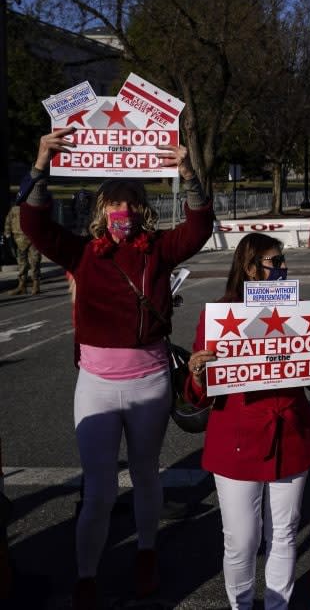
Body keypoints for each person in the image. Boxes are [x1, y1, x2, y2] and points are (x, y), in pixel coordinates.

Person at [19, 127, 214, 609]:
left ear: (142, 210)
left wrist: (187, 172)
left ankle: (146, 552)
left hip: (148, 382)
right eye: (112, 203)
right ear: (100, 211)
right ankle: (87, 575)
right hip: (97, 385)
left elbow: (199, 227)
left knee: (148, 475)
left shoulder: (159, 251)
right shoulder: (82, 253)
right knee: (100, 487)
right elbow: (33, 225)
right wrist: (41, 162)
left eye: (128, 203)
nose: (120, 212)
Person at [184, 233, 310, 610]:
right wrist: (197, 374)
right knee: (241, 539)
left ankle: (279, 606)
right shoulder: (219, 314)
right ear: (250, 268)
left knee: (284, 533)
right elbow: (200, 395)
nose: (283, 268)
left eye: (283, 261)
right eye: (275, 262)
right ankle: (240, 604)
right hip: (236, 440)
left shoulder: (298, 313)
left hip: (291, 436)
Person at [3, 205, 42, 295]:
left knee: (35, 262)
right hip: (19, 239)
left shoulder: (32, 207)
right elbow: (8, 221)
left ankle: (36, 284)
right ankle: (22, 286)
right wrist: (8, 235)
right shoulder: (14, 209)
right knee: (22, 263)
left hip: (32, 238)